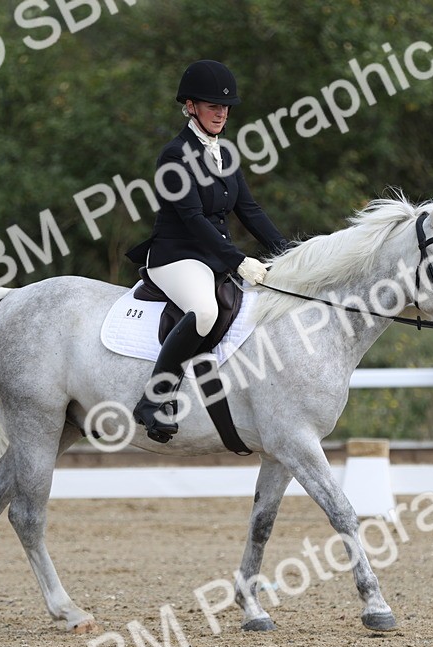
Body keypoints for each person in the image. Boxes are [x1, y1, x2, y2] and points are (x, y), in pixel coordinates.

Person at [126, 59, 290, 443]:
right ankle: (154, 399)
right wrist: (239, 260)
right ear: (190, 107)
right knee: (204, 310)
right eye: (212, 105)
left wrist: (289, 253)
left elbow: (249, 211)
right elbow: (193, 218)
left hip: (211, 257)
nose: (221, 112)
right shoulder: (174, 155)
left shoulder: (225, 153)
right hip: (175, 256)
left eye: (225, 106)